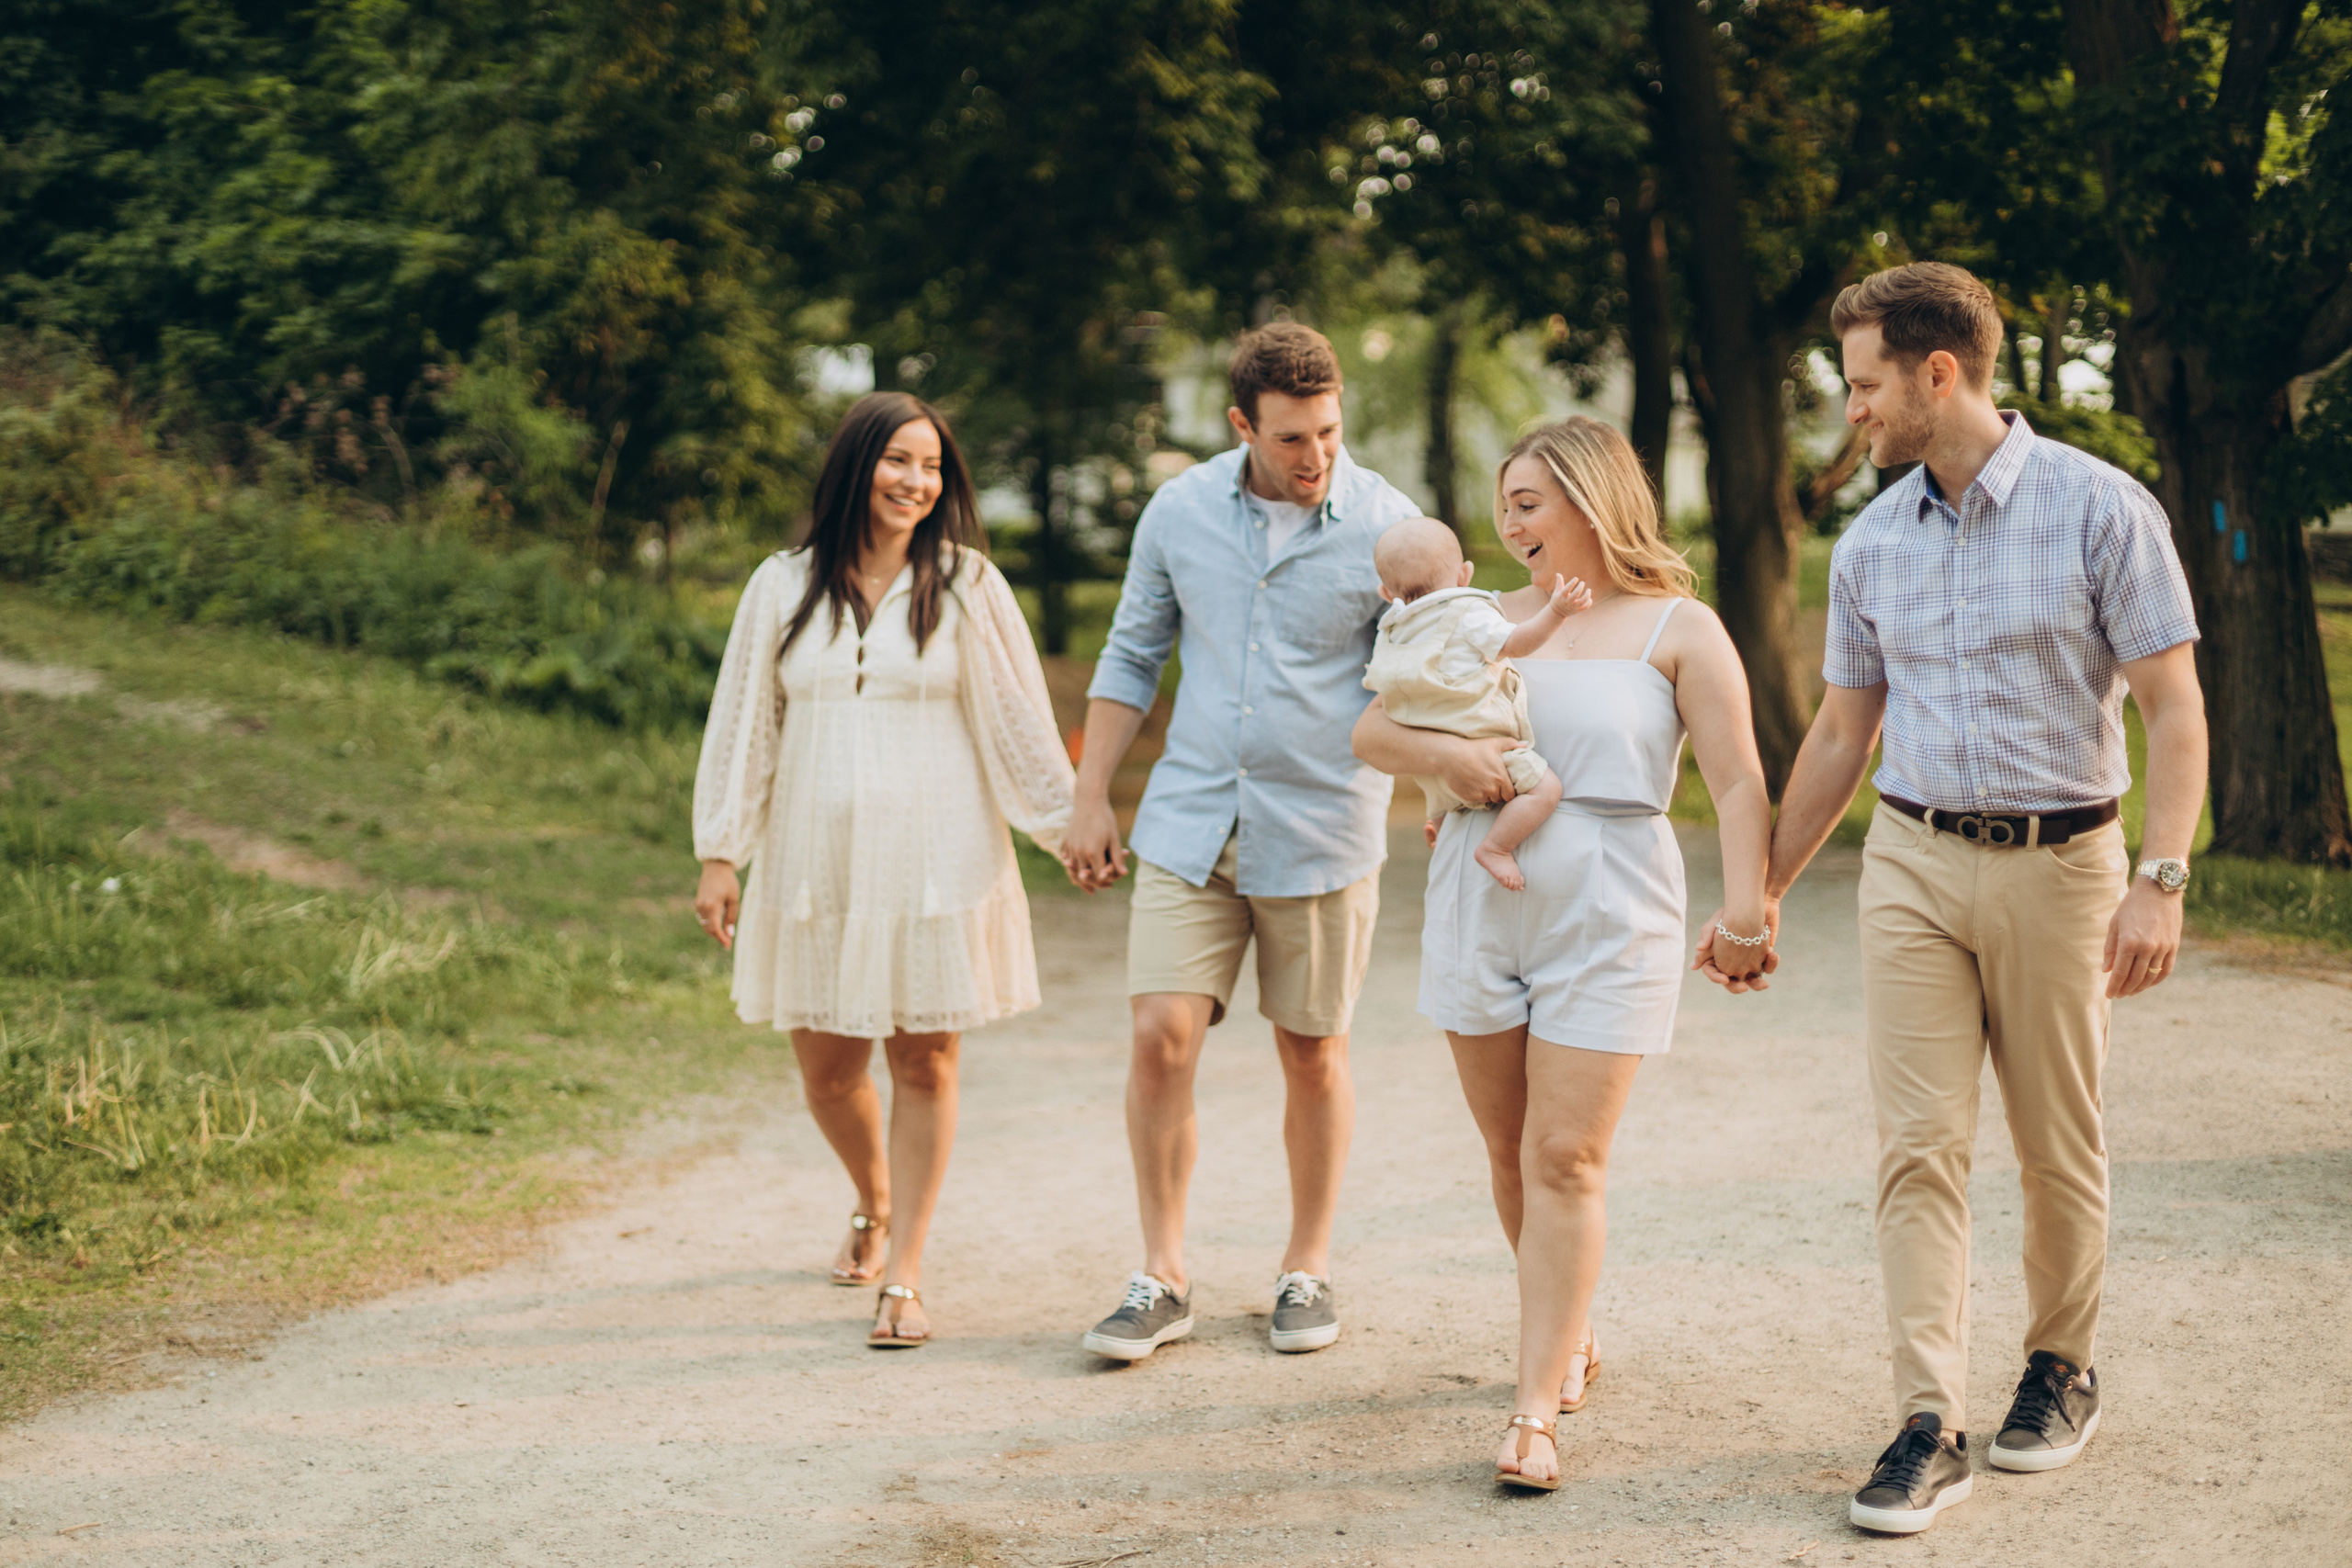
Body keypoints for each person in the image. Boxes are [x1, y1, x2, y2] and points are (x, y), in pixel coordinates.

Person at [1706, 263, 2206, 1535]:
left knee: (2055, 1138)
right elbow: (1839, 738)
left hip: (2065, 862)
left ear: (1941, 374)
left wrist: (2161, 877)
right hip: (1915, 863)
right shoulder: (1871, 541)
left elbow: (2172, 707)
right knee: (1919, 1146)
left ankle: (2059, 1363)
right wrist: (1758, 891)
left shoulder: (2104, 509)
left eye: (1867, 385)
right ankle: (1929, 1419)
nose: (1853, 410)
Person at [1353, 417, 1775, 1490]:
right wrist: (1452, 759)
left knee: (1565, 1157)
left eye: (1528, 502)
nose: (1508, 524)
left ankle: (1532, 1410)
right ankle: (1567, 1330)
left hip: (1613, 898)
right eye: (1503, 505)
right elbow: (1370, 733)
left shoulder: (1679, 627)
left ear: (1590, 500)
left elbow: (1734, 781)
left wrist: (1744, 911)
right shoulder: (1476, 618)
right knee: (1507, 1153)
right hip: (1476, 896)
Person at [1058, 321, 1422, 1361]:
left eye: (1328, 432)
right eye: (1291, 440)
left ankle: (1303, 1267)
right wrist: (1093, 798)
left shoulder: (1386, 525)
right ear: (1240, 426)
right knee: (1158, 1036)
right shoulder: (1178, 513)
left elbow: (1427, 672)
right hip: (1190, 818)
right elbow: (1132, 656)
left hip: (1319, 828)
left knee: (1312, 1053)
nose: (1315, 459)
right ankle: (1162, 1275)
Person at [691, 391, 1076, 1349]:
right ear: (856, 466)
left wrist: (1073, 826)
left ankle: (905, 1271)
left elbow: (1020, 720)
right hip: (813, 867)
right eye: (898, 461)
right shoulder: (780, 587)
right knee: (828, 1073)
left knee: (925, 1060)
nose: (916, 481)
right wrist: (718, 851)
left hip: (938, 860)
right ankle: (873, 1197)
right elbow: (744, 724)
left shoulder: (969, 584)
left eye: (932, 466)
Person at [1364, 515, 1591, 889]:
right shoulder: (1467, 612)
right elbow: (1517, 643)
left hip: (1432, 765)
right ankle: (1497, 848)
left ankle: (1437, 820)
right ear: (1464, 574)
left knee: (1443, 800)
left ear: (1387, 595)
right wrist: (1556, 611)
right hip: (1486, 750)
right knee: (1546, 790)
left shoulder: (1394, 630)